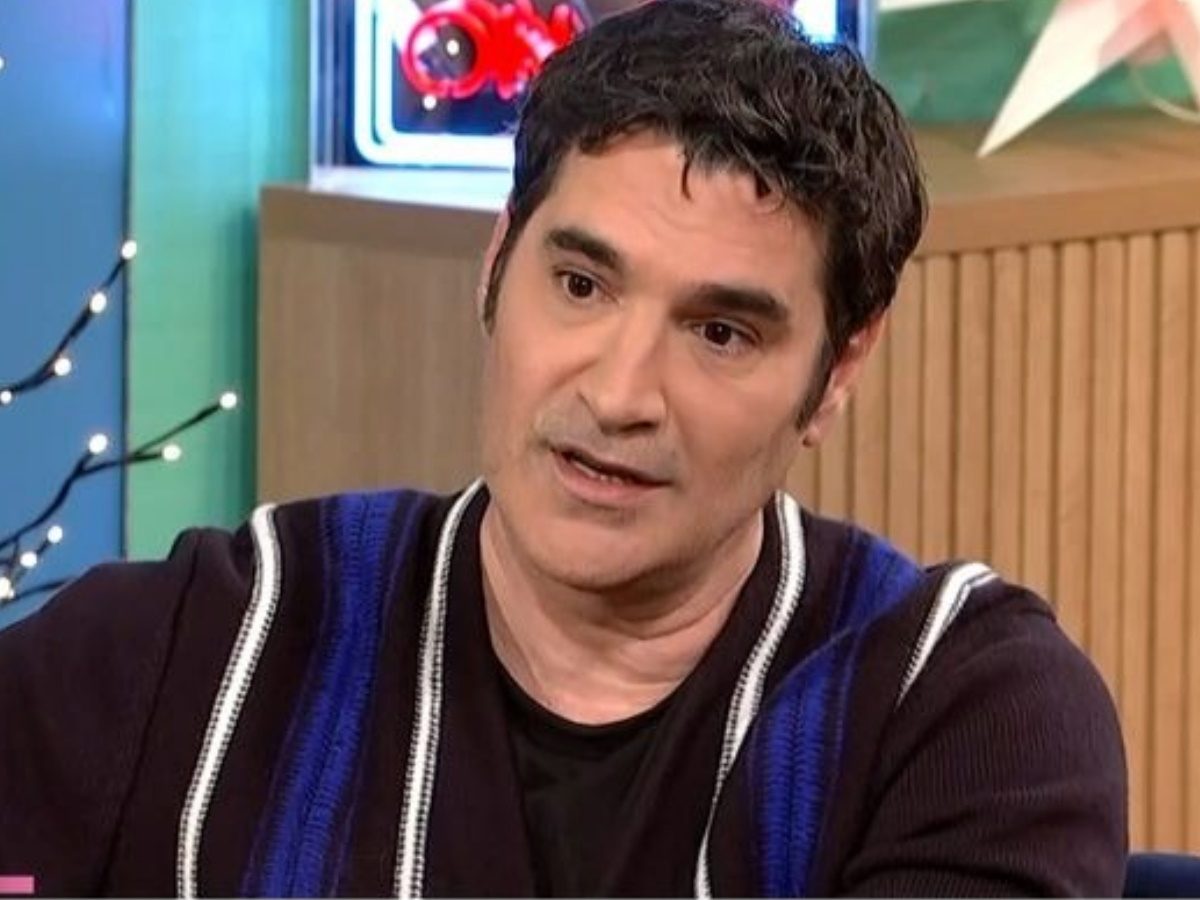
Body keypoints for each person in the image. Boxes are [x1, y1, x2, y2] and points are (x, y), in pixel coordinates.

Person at [0, 0, 1127, 895]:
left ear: (836, 372)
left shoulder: (960, 718)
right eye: (581, 284)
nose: (620, 393)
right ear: (496, 264)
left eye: (721, 332)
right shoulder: (187, 654)